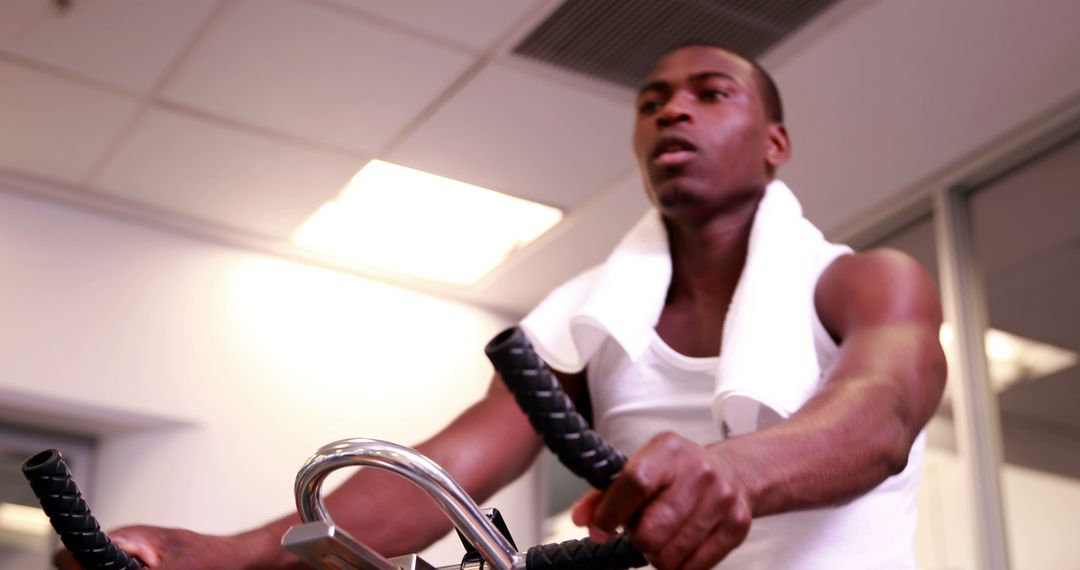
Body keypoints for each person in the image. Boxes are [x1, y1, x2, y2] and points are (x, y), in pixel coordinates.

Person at [56, 43, 946, 570]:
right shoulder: (583, 315)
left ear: (774, 142)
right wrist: (205, 554)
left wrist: (740, 470)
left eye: (711, 94)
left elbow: (882, 413)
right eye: (651, 102)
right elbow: (439, 481)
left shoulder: (865, 281)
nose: (673, 111)